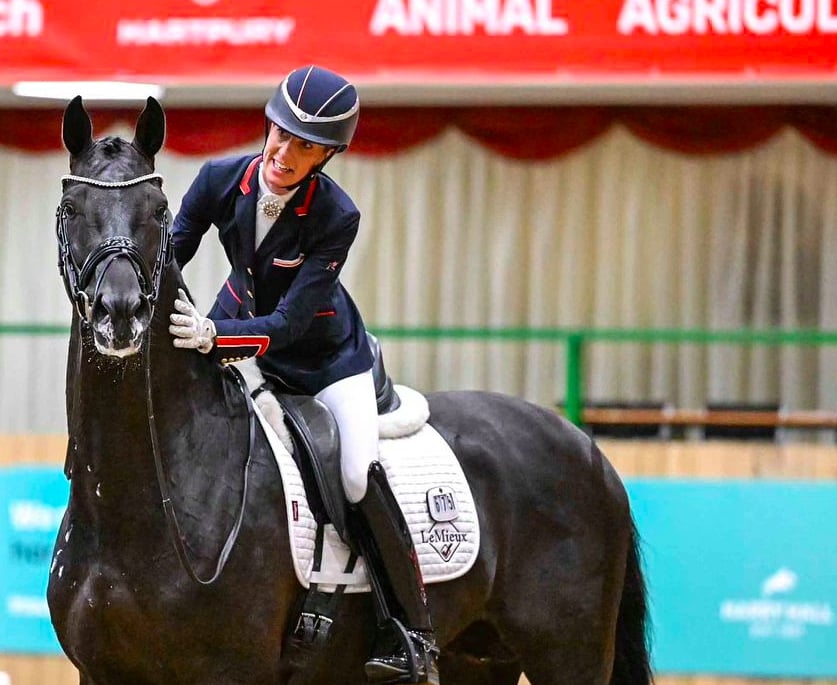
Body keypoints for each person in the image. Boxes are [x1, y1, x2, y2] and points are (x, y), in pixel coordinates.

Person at [167, 65, 438, 685]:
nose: (286, 155)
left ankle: (411, 629)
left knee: (355, 472)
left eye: (308, 148)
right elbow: (172, 255)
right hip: (235, 322)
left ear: (327, 156)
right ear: (267, 125)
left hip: (322, 357)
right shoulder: (215, 179)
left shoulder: (337, 215)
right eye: (282, 136)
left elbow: (289, 322)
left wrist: (216, 338)